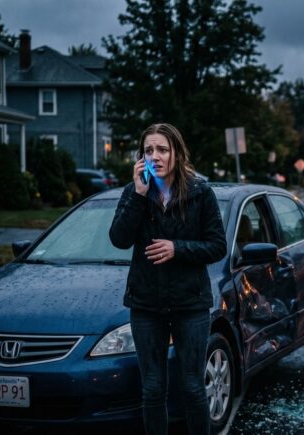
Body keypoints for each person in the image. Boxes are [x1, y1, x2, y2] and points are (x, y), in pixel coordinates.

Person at [109, 123, 226, 435]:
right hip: (146, 304)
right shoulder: (135, 192)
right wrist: (138, 194)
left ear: (176, 152)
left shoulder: (200, 193)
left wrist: (178, 248)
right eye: (149, 150)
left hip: (190, 304)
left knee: (191, 386)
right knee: (152, 388)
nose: (155, 156)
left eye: (162, 149)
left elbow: (217, 246)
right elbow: (119, 239)